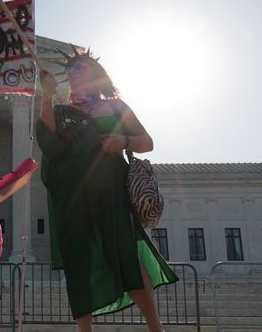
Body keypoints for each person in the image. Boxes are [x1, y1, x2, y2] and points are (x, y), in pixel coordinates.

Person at [35, 48, 178, 332]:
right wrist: (48, 96)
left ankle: (156, 328)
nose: (75, 74)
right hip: (73, 193)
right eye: (72, 70)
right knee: (79, 259)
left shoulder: (115, 106)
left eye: (82, 68)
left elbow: (146, 141)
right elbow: (47, 139)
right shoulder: (63, 109)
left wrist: (123, 141)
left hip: (111, 190)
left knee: (126, 253)